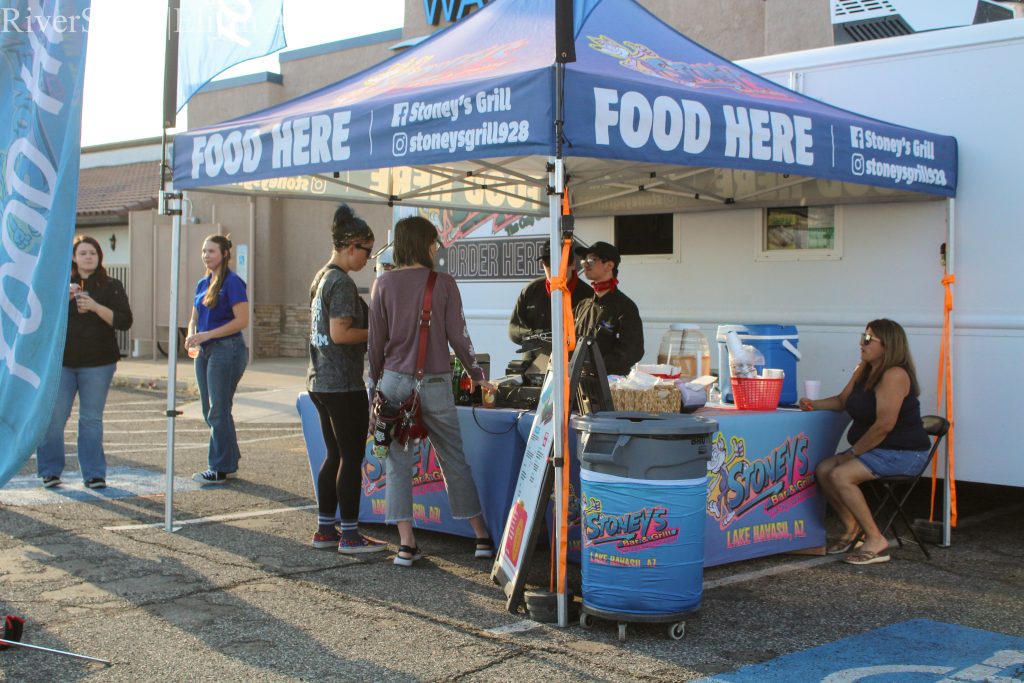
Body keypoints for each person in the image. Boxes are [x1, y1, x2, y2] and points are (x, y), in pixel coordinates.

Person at [368, 215, 497, 567]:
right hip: (436, 382)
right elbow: (460, 336)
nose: (437, 249)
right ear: (425, 245)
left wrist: (373, 391)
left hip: (394, 381)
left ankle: (406, 545)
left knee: (397, 461)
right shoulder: (443, 283)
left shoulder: (383, 284)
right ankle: (482, 536)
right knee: (453, 459)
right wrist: (478, 374)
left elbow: (375, 345)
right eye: (434, 243)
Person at [800, 319, 931, 566]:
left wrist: (852, 453)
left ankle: (875, 539)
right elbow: (842, 401)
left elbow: (884, 425)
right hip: (877, 449)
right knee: (824, 469)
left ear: (888, 345)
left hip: (904, 452)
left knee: (841, 475)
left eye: (869, 339)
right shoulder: (864, 369)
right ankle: (852, 529)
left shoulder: (894, 374)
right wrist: (813, 404)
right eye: (863, 336)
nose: (862, 342)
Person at [306, 205, 386, 554]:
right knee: (351, 458)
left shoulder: (322, 276)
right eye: (366, 251)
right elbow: (340, 333)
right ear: (351, 246)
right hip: (342, 384)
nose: (368, 259)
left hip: (320, 381)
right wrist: (376, 334)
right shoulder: (340, 282)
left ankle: (326, 530)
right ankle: (351, 535)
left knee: (334, 456)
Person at [37, 236, 133, 489]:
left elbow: (124, 321)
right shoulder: (60, 285)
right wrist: (63, 299)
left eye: (93, 253)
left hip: (98, 362)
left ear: (99, 257)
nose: (88, 257)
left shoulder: (111, 285)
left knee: (90, 419)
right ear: (74, 257)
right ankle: (50, 471)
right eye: (83, 253)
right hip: (63, 362)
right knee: (54, 417)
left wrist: (95, 306)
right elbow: (40, 318)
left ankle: (93, 474)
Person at [186, 235, 249, 485]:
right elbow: (194, 317)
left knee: (218, 409)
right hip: (204, 350)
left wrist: (208, 334)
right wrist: (192, 335)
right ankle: (229, 460)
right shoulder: (203, 282)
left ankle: (219, 467)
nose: (205, 255)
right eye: (203, 251)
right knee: (210, 409)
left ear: (224, 254)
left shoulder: (233, 282)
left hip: (227, 349)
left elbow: (241, 320)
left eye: (211, 251)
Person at [508, 240, 593, 363]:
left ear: (573, 264)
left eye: (559, 263)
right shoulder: (531, 290)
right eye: (547, 263)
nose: (552, 269)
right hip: (535, 363)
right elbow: (514, 329)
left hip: (573, 364)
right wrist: (534, 336)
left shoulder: (588, 296)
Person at [572, 241, 644, 376]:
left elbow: (633, 352)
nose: (585, 264)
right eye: (583, 260)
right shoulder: (582, 306)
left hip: (610, 387)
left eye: (592, 260)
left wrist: (595, 367)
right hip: (578, 384)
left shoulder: (625, 307)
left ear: (609, 265)